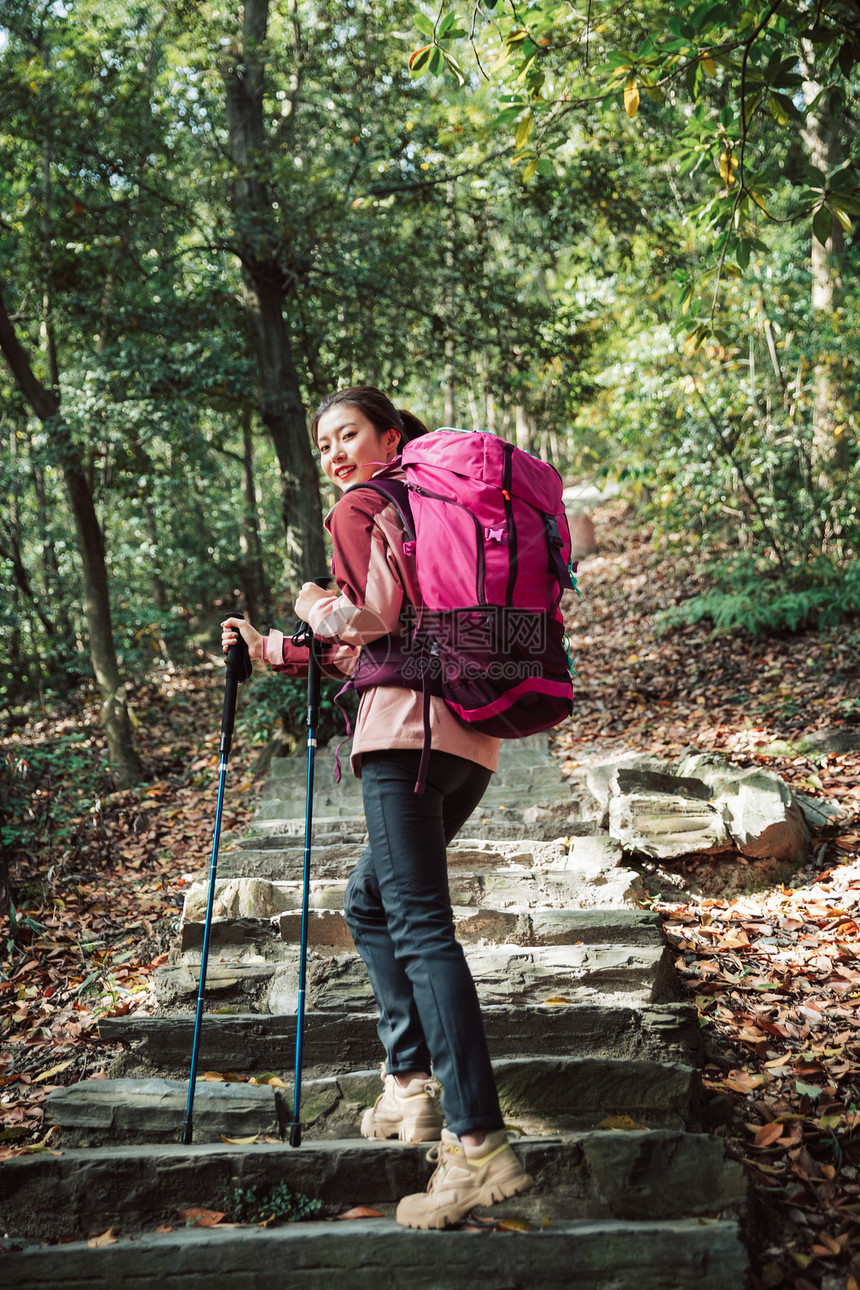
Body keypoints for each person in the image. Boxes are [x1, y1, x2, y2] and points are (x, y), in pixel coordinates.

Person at [221, 385, 533, 1229]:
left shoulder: (366, 502)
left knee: (422, 926)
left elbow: (370, 616)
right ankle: (408, 1087)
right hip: (469, 740)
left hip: (407, 740)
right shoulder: (431, 507)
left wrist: (307, 601)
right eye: (324, 443)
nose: (333, 454)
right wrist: (281, 651)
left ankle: (479, 1148)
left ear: (388, 437)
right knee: (368, 902)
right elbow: (393, 633)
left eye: (347, 435)